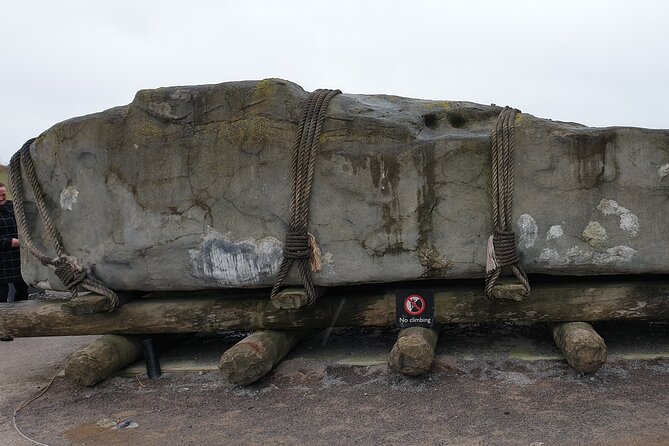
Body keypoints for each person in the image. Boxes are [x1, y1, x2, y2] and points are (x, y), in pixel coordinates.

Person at [0, 182, 28, 302]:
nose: (1, 198)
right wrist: (9, 242)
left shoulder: (12, 206)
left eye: (4, 195)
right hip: (1, 259)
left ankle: (21, 317)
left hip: (18, 257)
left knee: (22, 290)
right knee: (1, 294)